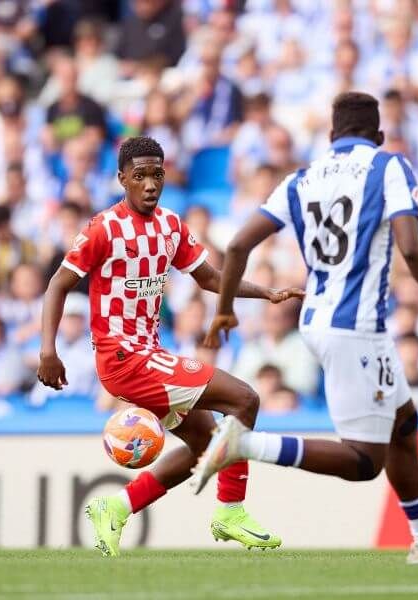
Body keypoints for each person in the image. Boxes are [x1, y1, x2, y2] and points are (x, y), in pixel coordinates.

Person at [201, 92, 418, 564]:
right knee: (365, 462)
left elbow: (236, 246)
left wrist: (225, 307)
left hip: (320, 319)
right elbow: (411, 249)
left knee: (404, 426)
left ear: (331, 137)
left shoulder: (301, 179)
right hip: (355, 327)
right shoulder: (388, 166)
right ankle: (244, 444)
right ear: (378, 136)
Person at [36, 136, 304, 556]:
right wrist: (48, 352)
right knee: (245, 399)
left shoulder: (171, 226)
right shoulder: (103, 228)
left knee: (207, 448)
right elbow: (58, 284)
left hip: (151, 354)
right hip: (124, 360)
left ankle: (117, 506)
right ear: (122, 178)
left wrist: (265, 292)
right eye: (139, 175)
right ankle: (230, 511)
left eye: (157, 174)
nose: (149, 184)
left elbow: (212, 279)